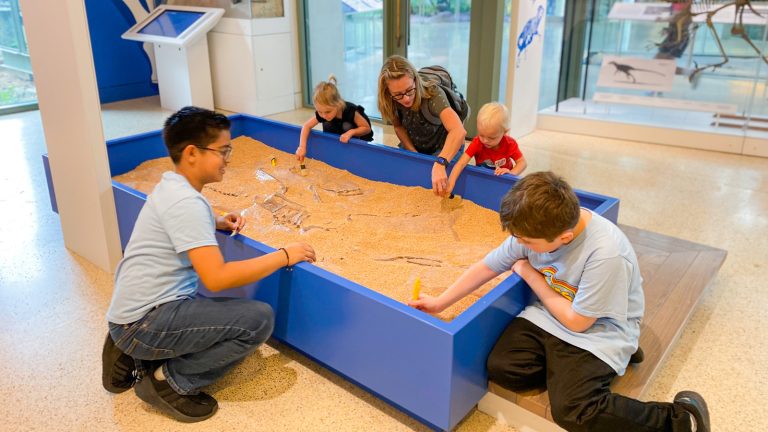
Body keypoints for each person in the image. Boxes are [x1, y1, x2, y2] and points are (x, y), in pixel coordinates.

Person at [409, 171, 710, 432]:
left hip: (595, 330)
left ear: (564, 237)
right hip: (550, 315)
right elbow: (488, 266)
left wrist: (529, 273)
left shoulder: (605, 254)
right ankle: (586, 370)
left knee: (572, 410)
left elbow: (578, 323)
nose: (520, 245)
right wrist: (440, 302)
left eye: (527, 243)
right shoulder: (531, 228)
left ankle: (679, 420)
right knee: (503, 368)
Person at [102, 106, 316, 423]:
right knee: (258, 320)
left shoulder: (169, 187)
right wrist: (284, 255)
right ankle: (167, 381)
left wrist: (214, 221)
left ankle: (130, 351)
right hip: (144, 321)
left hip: (130, 311)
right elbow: (216, 278)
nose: (228, 158)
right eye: (223, 150)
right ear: (191, 153)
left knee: (215, 313)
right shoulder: (187, 203)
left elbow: (180, 224)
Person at [377, 55, 467, 196]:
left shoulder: (433, 93)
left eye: (409, 90)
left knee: (439, 185)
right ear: (388, 92)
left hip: (443, 146)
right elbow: (398, 126)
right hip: (417, 143)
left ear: (415, 80)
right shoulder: (389, 101)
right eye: (398, 95)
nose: (406, 98)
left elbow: (458, 131)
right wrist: (413, 153)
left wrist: (441, 162)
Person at [447, 102, 526, 195]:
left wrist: (511, 173)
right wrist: (450, 184)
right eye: (481, 135)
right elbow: (461, 163)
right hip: (483, 178)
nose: (485, 141)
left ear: (505, 132)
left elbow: (522, 163)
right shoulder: (477, 142)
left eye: (491, 138)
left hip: (503, 181)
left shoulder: (510, 144)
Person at [295, 75, 373, 162]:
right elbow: (306, 126)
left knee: (346, 126)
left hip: (361, 138)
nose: (323, 115)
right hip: (341, 138)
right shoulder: (324, 113)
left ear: (338, 104)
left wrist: (351, 132)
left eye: (328, 112)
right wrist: (302, 146)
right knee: (327, 122)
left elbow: (367, 129)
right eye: (320, 111)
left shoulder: (350, 111)